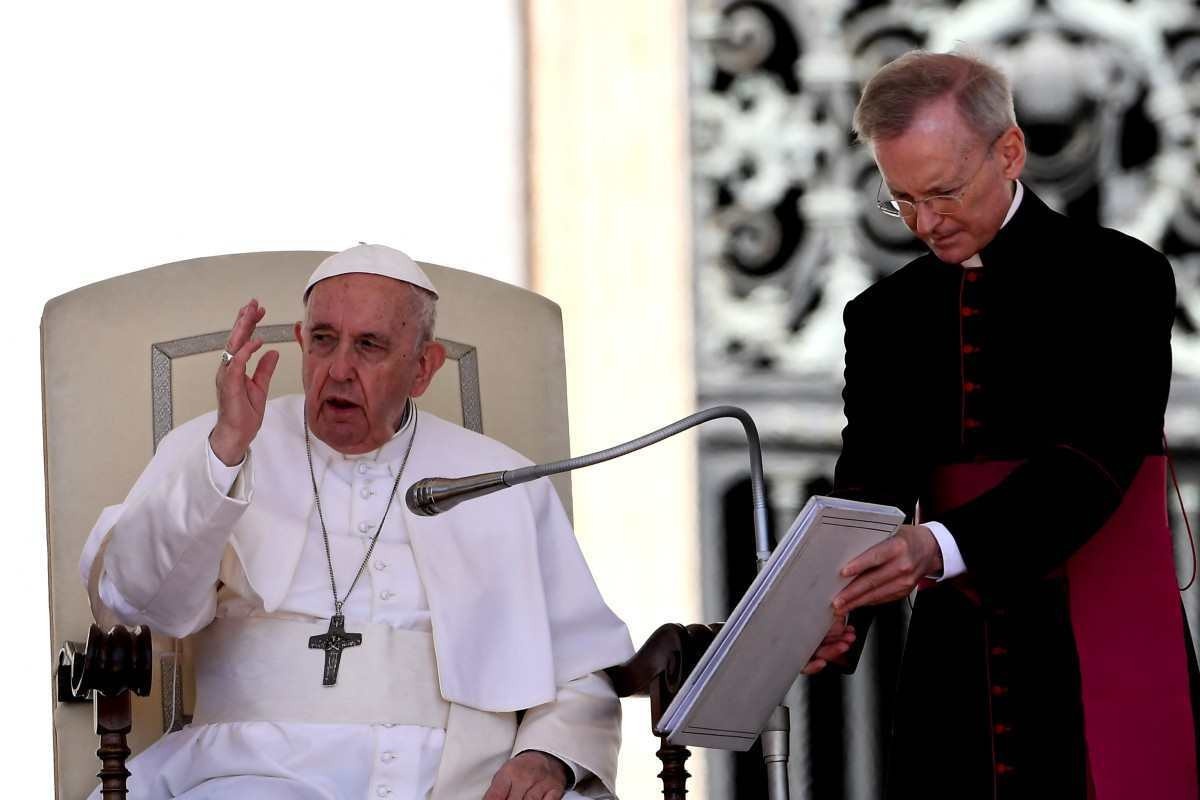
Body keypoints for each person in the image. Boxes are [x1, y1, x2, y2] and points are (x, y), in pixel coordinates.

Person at [79, 244, 635, 800]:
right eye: (323, 340)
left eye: (369, 346)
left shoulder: (501, 477)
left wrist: (548, 755)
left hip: (464, 776)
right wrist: (225, 453)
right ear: (301, 342)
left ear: (423, 368)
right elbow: (136, 599)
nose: (339, 369)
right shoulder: (219, 442)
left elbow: (582, 661)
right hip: (254, 769)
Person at [822, 51, 1200, 798]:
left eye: (944, 193)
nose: (926, 224)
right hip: (955, 667)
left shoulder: (1119, 277)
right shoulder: (883, 316)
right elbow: (872, 483)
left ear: (1010, 152)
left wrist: (938, 546)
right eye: (900, 201)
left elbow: (1094, 461)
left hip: (1100, 633)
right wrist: (830, 613)